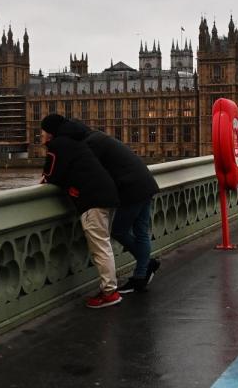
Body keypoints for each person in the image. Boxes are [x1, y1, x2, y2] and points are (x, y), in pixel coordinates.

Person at [56, 117, 162, 293]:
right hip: (146, 183)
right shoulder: (99, 137)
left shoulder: (90, 145)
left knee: (117, 230)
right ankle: (141, 276)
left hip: (131, 189)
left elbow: (87, 172)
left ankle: (145, 265)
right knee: (141, 231)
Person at [40, 114, 122, 309]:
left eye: (42, 131)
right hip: (106, 195)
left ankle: (110, 292)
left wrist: (45, 178)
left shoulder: (59, 145)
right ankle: (110, 288)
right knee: (104, 245)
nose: (41, 135)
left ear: (50, 132)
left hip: (92, 199)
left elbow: (53, 174)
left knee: (100, 248)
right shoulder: (75, 141)